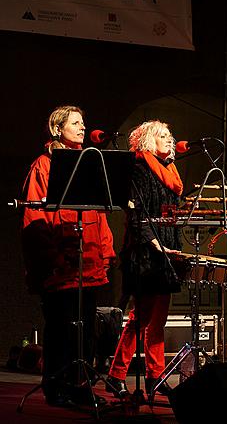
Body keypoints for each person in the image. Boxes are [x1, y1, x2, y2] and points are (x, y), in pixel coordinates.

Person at [20, 105, 116, 406]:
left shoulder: (89, 162)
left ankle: (80, 385)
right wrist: (53, 258)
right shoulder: (44, 165)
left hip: (89, 264)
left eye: (83, 122)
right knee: (61, 328)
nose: (82, 126)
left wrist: (106, 251)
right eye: (75, 122)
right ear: (57, 129)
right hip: (62, 265)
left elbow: (98, 214)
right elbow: (35, 217)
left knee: (86, 329)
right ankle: (57, 387)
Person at [105, 119, 184, 399]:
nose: (170, 140)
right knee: (141, 318)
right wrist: (155, 244)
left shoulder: (170, 172)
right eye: (163, 135)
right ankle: (116, 375)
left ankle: (156, 376)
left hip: (167, 250)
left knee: (159, 318)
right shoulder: (139, 170)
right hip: (145, 251)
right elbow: (136, 215)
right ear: (149, 139)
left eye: (170, 135)